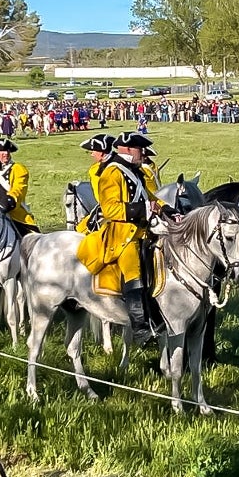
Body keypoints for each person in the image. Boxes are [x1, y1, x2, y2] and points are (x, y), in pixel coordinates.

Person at [77, 131, 177, 345]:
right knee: (134, 272)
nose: (144, 153)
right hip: (122, 236)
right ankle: (141, 328)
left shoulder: (134, 171)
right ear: (130, 150)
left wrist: (168, 210)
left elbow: (150, 198)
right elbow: (110, 209)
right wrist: (143, 209)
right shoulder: (111, 173)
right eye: (141, 149)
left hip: (142, 231)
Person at [75, 133, 115, 234]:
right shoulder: (119, 162)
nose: (91, 154)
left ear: (101, 153)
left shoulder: (98, 169)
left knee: (82, 233)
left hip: (111, 210)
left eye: (93, 151)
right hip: (108, 208)